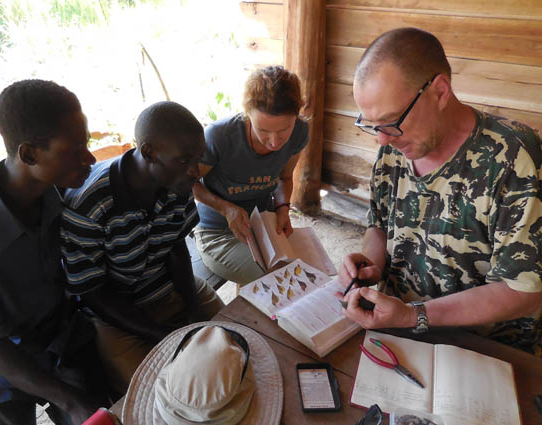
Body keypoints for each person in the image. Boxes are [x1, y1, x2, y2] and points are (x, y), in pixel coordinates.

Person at [336, 27, 542, 354]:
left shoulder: (514, 157)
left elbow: (523, 291)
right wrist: (371, 263)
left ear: (441, 91)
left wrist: (414, 315)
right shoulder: (394, 147)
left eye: (390, 122)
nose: (382, 140)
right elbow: (378, 224)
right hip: (394, 329)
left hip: (482, 349)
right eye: (371, 125)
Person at [0, 80, 108, 425]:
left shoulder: (61, 192)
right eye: (75, 149)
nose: (89, 159)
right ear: (29, 154)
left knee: (117, 409)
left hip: (57, 336)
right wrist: (73, 401)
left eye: (87, 144)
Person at [60, 101, 225, 394]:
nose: (195, 172)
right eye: (185, 160)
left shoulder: (176, 183)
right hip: (118, 316)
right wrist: (161, 334)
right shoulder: (90, 204)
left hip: (169, 288)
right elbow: (93, 292)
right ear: (148, 152)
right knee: (158, 395)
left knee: (236, 346)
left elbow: (175, 249)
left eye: (198, 159)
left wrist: (193, 306)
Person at [193, 65, 309, 285]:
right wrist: (226, 209)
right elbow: (189, 183)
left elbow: (284, 178)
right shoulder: (220, 136)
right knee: (280, 280)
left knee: (306, 269)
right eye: (263, 131)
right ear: (247, 116)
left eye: (284, 129)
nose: (274, 142)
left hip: (262, 224)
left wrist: (282, 208)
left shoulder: (300, 132)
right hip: (218, 231)